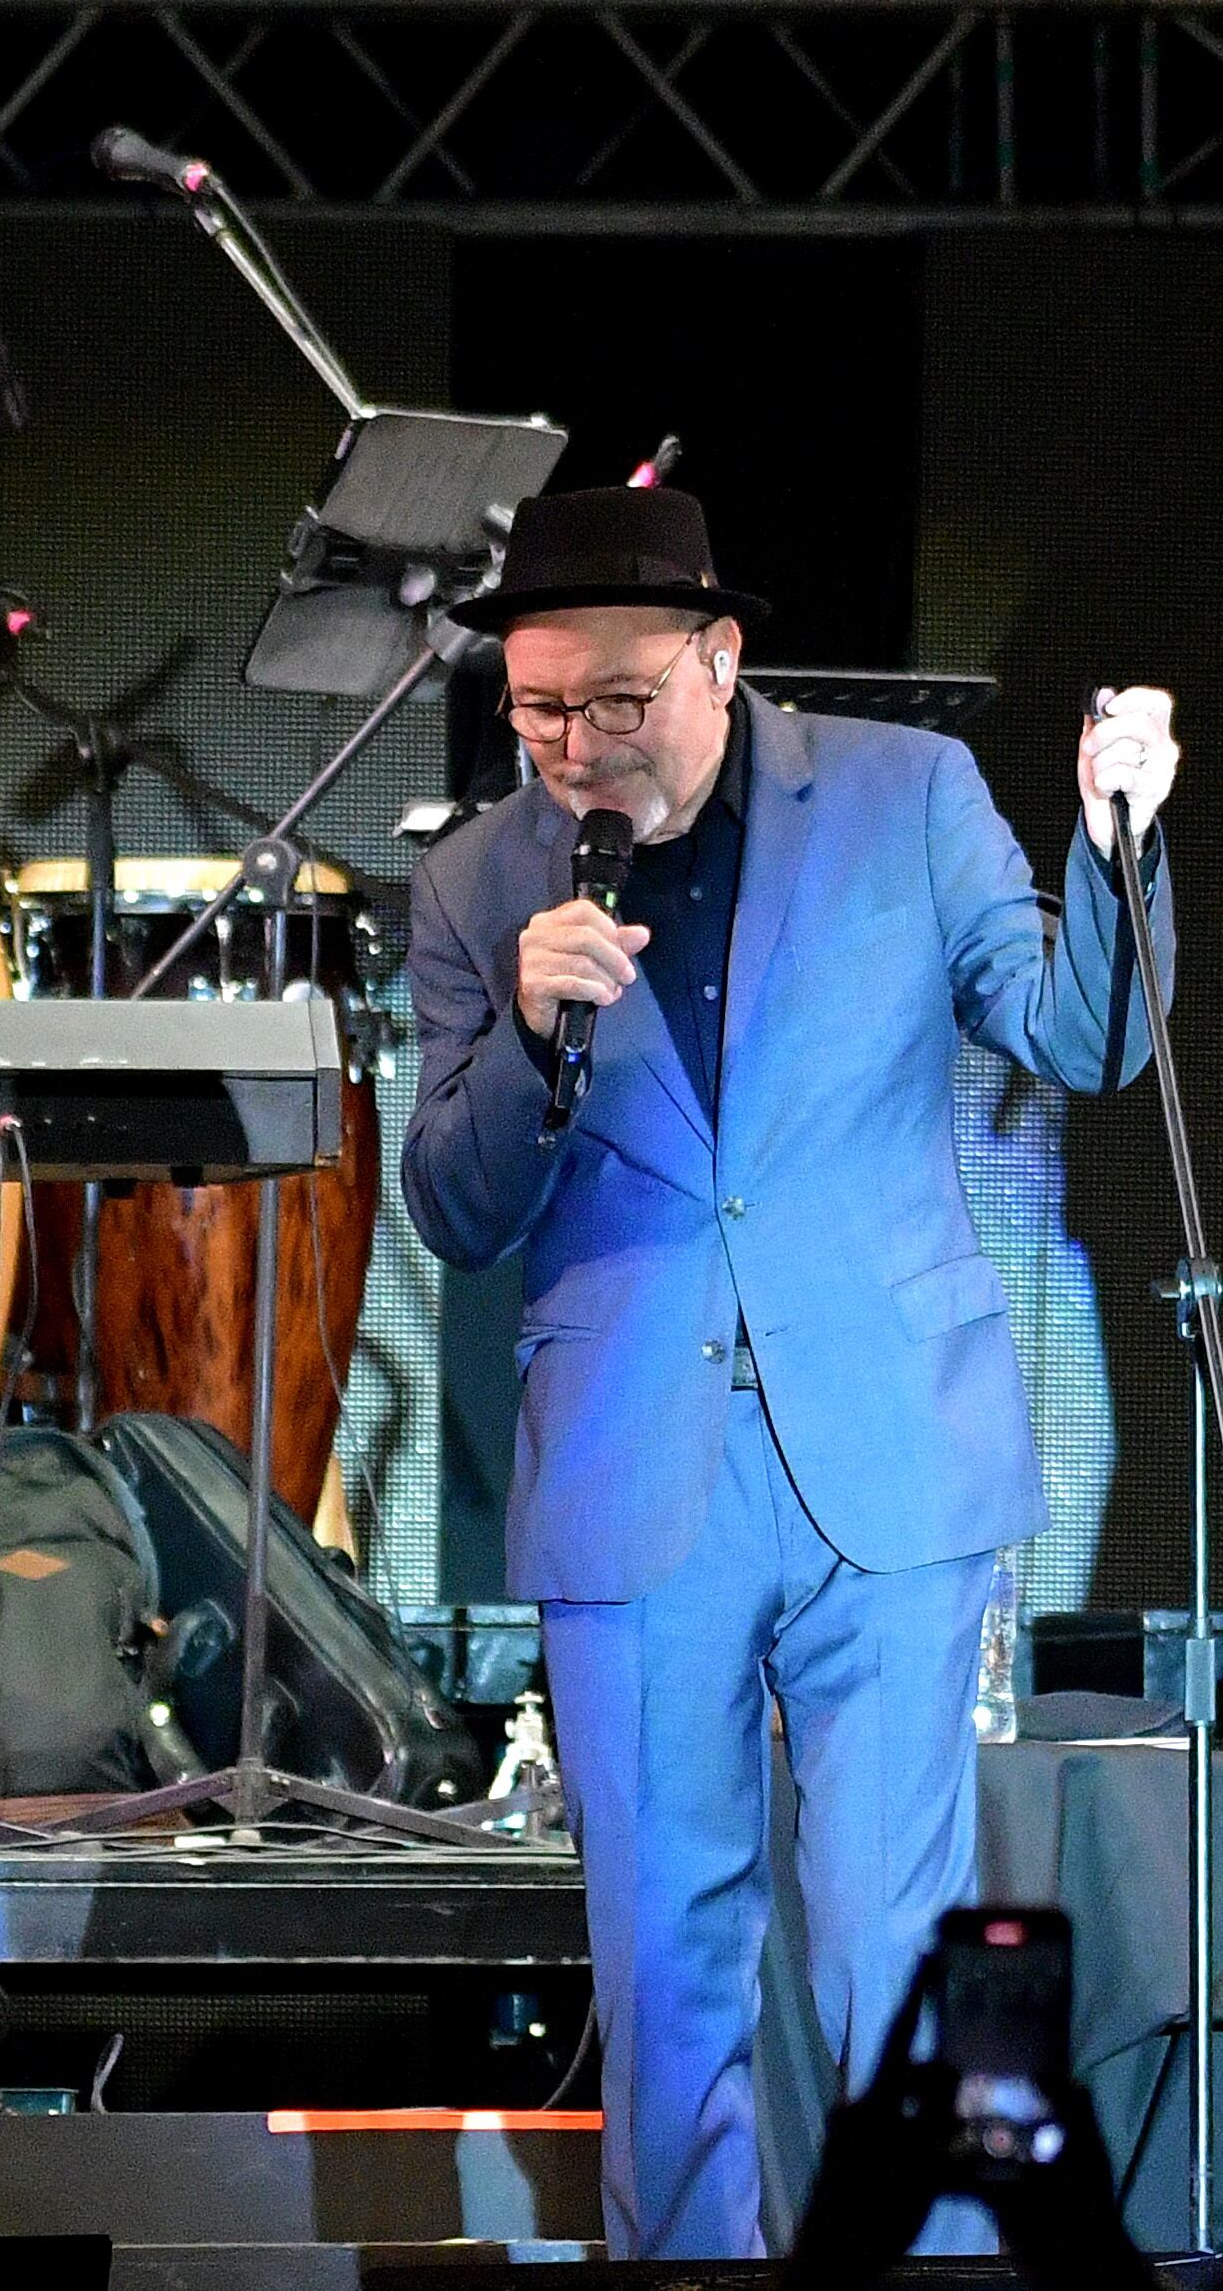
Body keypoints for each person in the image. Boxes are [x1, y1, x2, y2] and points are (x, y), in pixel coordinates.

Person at [401, 483, 1179, 2259]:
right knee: (664, 1941)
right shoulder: (476, 877)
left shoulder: (902, 795)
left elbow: (1081, 1033)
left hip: (883, 1444)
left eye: (615, 701)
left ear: (720, 655)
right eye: (535, 707)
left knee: (890, 1934)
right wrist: (528, 1029)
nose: (575, 744)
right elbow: (452, 1206)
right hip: (631, 1458)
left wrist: (1115, 844)